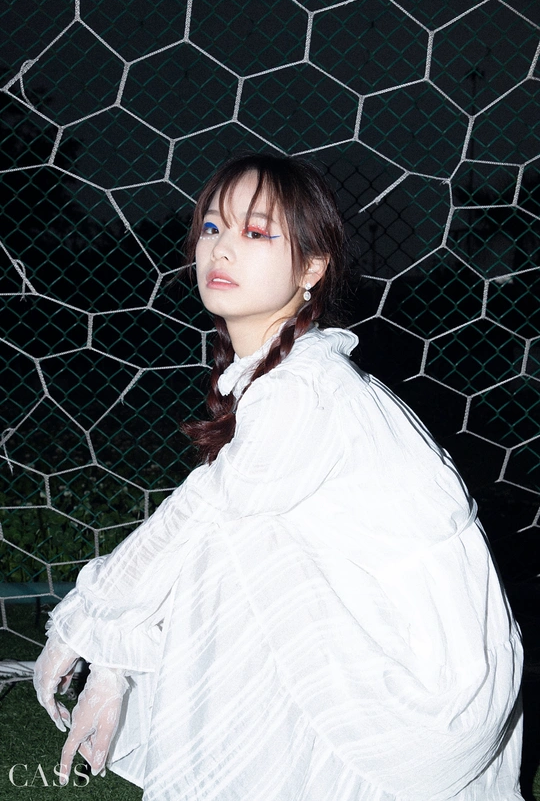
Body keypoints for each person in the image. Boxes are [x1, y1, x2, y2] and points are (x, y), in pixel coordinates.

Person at [33, 153, 524, 800]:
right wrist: (110, 657)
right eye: (212, 228)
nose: (222, 248)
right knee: (236, 530)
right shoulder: (285, 373)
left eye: (256, 232)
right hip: (419, 670)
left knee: (229, 537)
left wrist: (92, 637)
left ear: (313, 266)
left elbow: (198, 520)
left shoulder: (308, 386)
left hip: (425, 700)